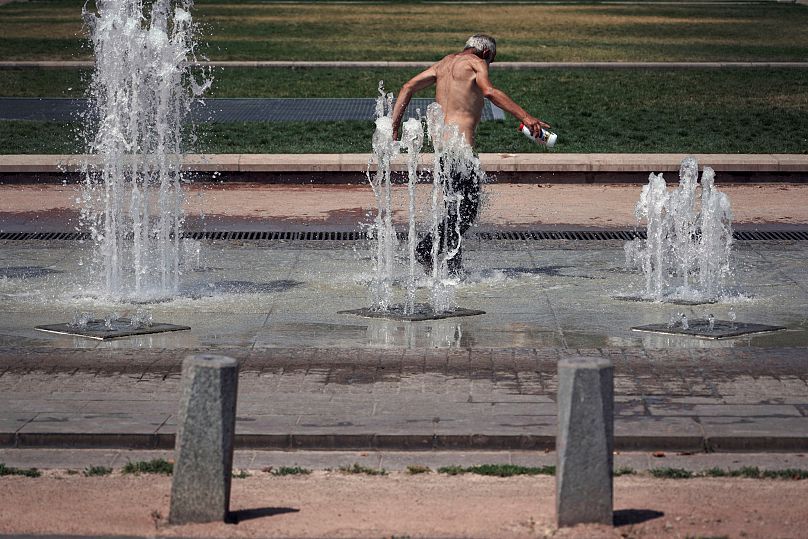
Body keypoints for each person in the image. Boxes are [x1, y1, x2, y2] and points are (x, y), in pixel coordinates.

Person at [391, 34, 550, 276]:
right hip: (461, 153)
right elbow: (488, 91)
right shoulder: (477, 63)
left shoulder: (444, 64)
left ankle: (454, 271)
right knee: (466, 213)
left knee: (455, 211)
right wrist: (525, 117)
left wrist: (394, 126)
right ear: (486, 54)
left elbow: (407, 87)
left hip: (444, 152)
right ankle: (424, 250)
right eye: (491, 61)